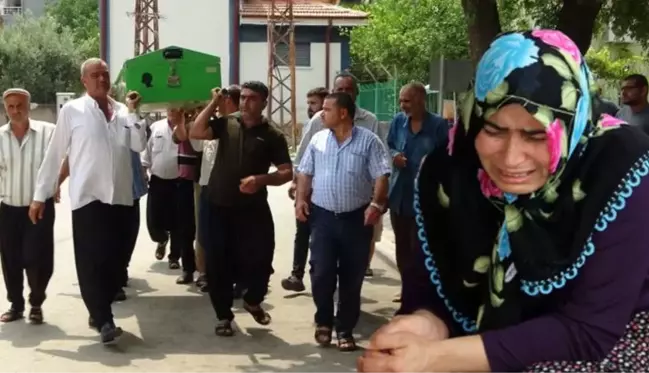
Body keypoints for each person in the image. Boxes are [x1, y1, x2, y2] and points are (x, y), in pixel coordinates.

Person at [358, 30, 649, 373]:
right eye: (494, 130)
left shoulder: (619, 167)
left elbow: (589, 330)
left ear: (572, 123)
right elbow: (429, 289)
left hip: (606, 346)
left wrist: (435, 357)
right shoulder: (448, 174)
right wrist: (424, 323)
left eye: (537, 134)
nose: (511, 159)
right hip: (482, 345)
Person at [29, 58, 146, 345]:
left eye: (105, 74)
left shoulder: (122, 111)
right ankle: (104, 320)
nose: (102, 79)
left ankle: (99, 308)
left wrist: (133, 113)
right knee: (92, 260)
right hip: (88, 197)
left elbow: (139, 145)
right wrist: (40, 195)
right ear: (84, 81)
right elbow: (55, 153)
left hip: (120, 196)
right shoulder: (73, 110)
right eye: (95, 75)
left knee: (116, 261)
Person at [190, 81, 292, 337]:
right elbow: (197, 131)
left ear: (264, 103)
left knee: (260, 260)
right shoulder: (227, 123)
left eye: (252, 98)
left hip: (252, 210)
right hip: (217, 206)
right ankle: (223, 316)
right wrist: (214, 102)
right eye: (243, 97)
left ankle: (253, 300)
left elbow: (286, 172)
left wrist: (261, 180)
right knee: (217, 264)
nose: (246, 103)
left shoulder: (272, 135)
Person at [296, 92, 391, 351]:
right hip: (323, 217)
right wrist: (300, 200)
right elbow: (305, 172)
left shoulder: (369, 141)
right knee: (322, 272)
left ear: (343, 113)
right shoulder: (318, 139)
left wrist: (375, 204)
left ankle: (345, 330)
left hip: (355, 219)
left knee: (352, 277)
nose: (321, 113)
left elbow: (382, 174)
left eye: (326, 109)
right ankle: (324, 322)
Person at [387, 82, 448, 304]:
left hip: (426, 199)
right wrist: (394, 155)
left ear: (421, 100)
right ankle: (406, 289)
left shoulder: (439, 125)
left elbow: (446, 157)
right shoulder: (397, 122)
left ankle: (424, 292)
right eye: (401, 100)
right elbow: (390, 144)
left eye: (407, 100)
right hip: (400, 197)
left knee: (421, 248)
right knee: (402, 247)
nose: (403, 105)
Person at [0, 88, 56, 324]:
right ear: (5, 109)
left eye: (20, 105)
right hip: (9, 207)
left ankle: (36, 302)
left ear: (29, 105)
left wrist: (44, 195)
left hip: (39, 207)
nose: (15, 110)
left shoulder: (48, 132)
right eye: (10, 106)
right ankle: (16, 303)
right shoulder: (0, 136)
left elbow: (54, 166)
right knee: (10, 258)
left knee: (37, 257)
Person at [189, 85, 241, 293]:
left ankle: (233, 277)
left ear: (227, 100)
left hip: (229, 188)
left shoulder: (238, 124)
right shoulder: (214, 126)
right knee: (205, 235)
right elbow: (194, 138)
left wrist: (212, 104)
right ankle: (206, 274)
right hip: (206, 187)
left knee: (230, 235)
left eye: (221, 99)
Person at [142, 108, 197, 284]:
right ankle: (161, 239)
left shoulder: (189, 127)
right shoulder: (156, 127)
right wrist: (144, 170)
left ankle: (175, 257)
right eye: (170, 109)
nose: (173, 113)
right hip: (158, 180)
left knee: (179, 223)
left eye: (176, 110)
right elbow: (147, 150)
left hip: (180, 182)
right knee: (154, 220)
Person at [282, 86, 329, 292]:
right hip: (309, 188)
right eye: (309, 103)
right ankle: (296, 275)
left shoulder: (324, 121)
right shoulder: (314, 124)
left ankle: (320, 275)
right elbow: (301, 156)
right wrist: (296, 182)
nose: (310, 108)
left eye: (314, 103)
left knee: (321, 237)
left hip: (329, 192)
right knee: (303, 232)